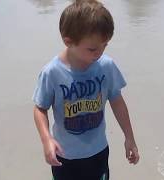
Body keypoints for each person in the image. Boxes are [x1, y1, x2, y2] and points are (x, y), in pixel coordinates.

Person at [32, 0, 140, 179]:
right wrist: (46, 139)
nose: (99, 53)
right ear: (68, 42)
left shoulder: (106, 66)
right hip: (65, 157)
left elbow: (117, 101)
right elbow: (40, 108)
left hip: (98, 152)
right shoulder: (52, 72)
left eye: (105, 46)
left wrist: (129, 137)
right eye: (92, 49)